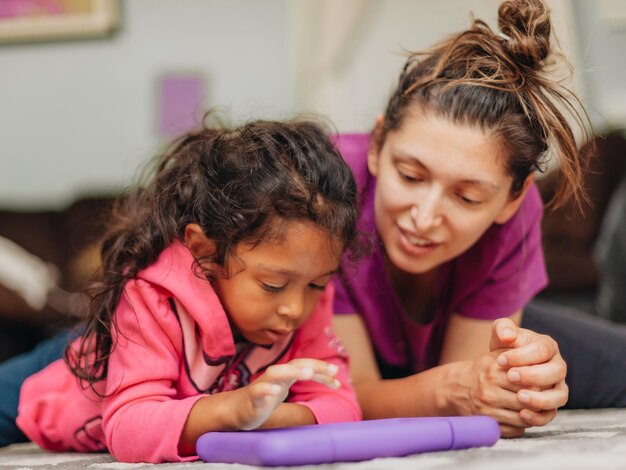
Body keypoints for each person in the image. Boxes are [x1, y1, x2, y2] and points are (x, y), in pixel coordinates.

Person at [331, 0, 626, 439]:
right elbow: (354, 397)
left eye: (467, 198)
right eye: (410, 176)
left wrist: (514, 378)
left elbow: (471, 380)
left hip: (445, 339)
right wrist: (460, 388)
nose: (425, 217)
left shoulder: (514, 218)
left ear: (512, 199)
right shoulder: (324, 190)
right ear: (377, 145)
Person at [0, 119, 362, 462]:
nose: (297, 309)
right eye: (273, 286)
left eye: (317, 284)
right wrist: (236, 410)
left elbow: (343, 406)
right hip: (74, 372)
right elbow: (128, 428)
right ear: (207, 251)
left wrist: (264, 418)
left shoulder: (306, 296)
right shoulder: (151, 297)